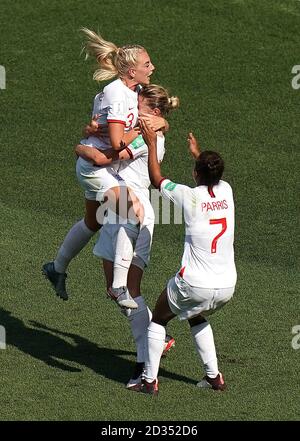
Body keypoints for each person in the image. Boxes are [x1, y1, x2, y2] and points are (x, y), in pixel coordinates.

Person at [42, 29, 165, 309]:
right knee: (134, 211)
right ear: (131, 70)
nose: (152, 67)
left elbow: (156, 110)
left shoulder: (134, 90)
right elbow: (117, 142)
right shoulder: (116, 94)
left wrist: (162, 124)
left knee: (93, 221)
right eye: (147, 64)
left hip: (100, 164)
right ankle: (119, 286)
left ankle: (56, 267)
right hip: (95, 167)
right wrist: (144, 131)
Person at [75, 84, 179, 390]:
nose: (133, 111)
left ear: (155, 113)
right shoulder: (145, 128)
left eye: (141, 107)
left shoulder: (148, 138)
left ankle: (145, 361)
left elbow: (104, 159)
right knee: (116, 289)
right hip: (119, 209)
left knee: (128, 289)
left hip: (133, 212)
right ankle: (156, 339)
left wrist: (81, 148)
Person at [136, 119, 237, 395]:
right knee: (196, 315)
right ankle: (214, 377)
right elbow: (210, 176)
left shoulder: (189, 196)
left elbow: (157, 180)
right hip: (227, 286)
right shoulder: (227, 191)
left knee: (158, 318)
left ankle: (148, 381)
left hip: (194, 283)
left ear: (195, 174)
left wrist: (152, 143)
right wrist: (198, 154)